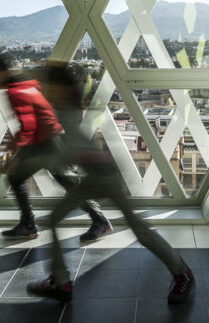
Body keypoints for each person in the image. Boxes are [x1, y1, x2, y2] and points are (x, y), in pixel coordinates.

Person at [25, 62, 194, 304]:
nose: (45, 89)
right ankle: (60, 282)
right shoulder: (63, 107)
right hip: (97, 175)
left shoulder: (67, 109)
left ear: (57, 87)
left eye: (48, 85)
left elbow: (71, 145)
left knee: (139, 229)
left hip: (104, 175)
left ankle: (182, 272)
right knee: (132, 227)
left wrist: (53, 158)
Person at [0, 55, 111, 243]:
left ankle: (99, 221)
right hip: (50, 139)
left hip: (44, 144)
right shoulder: (27, 85)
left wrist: (14, 152)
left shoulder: (15, 91)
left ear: (3, 72)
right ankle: (98, 221)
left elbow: (28, 127)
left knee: (22, 178)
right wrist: (14, 144)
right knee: (64, 182)